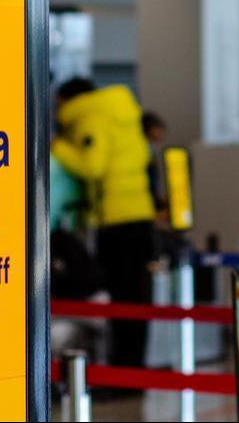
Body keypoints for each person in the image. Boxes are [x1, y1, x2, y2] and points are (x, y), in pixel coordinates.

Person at [51, 77, 156, 369]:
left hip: (116, 220)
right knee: (134, 299)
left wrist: (58, 147)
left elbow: (93, 165)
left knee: (122, 299)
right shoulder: (122, 112)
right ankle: (133, 370)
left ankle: (124, 374)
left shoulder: (90, 116)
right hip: (138, 214)